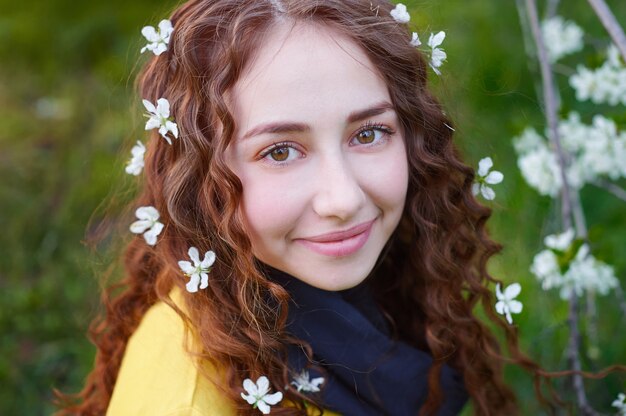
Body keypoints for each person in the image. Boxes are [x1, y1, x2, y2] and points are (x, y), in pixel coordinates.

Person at [57, 0, 558, 415]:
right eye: (280, 151)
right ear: (199, 179)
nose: (343, 200)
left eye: (368, 133)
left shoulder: (384, 282)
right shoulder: (189, 401)